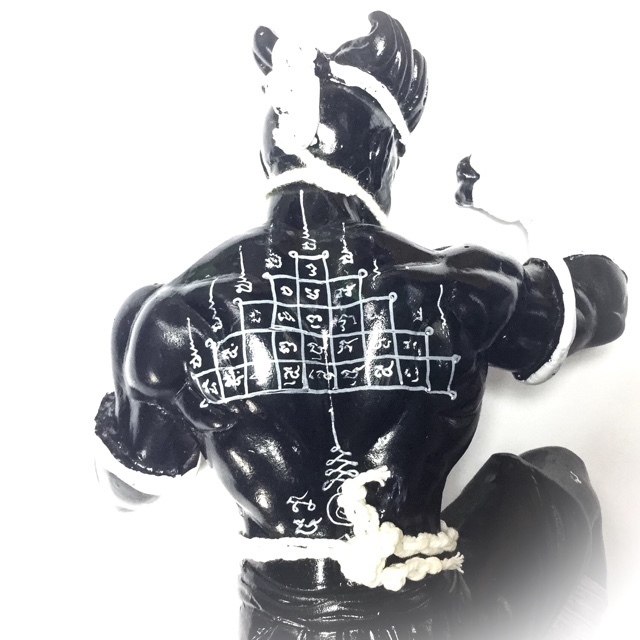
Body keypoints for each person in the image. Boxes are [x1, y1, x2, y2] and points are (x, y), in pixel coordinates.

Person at [95, 12, 627, 639]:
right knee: (557, 472)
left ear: (269, 154)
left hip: (274, 626)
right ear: (381, 158)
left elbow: (129, 490)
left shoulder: (170, 315)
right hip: (423, 620)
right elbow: (606, 304)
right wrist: (531, 214)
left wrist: (141, 377)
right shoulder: (459, 287)